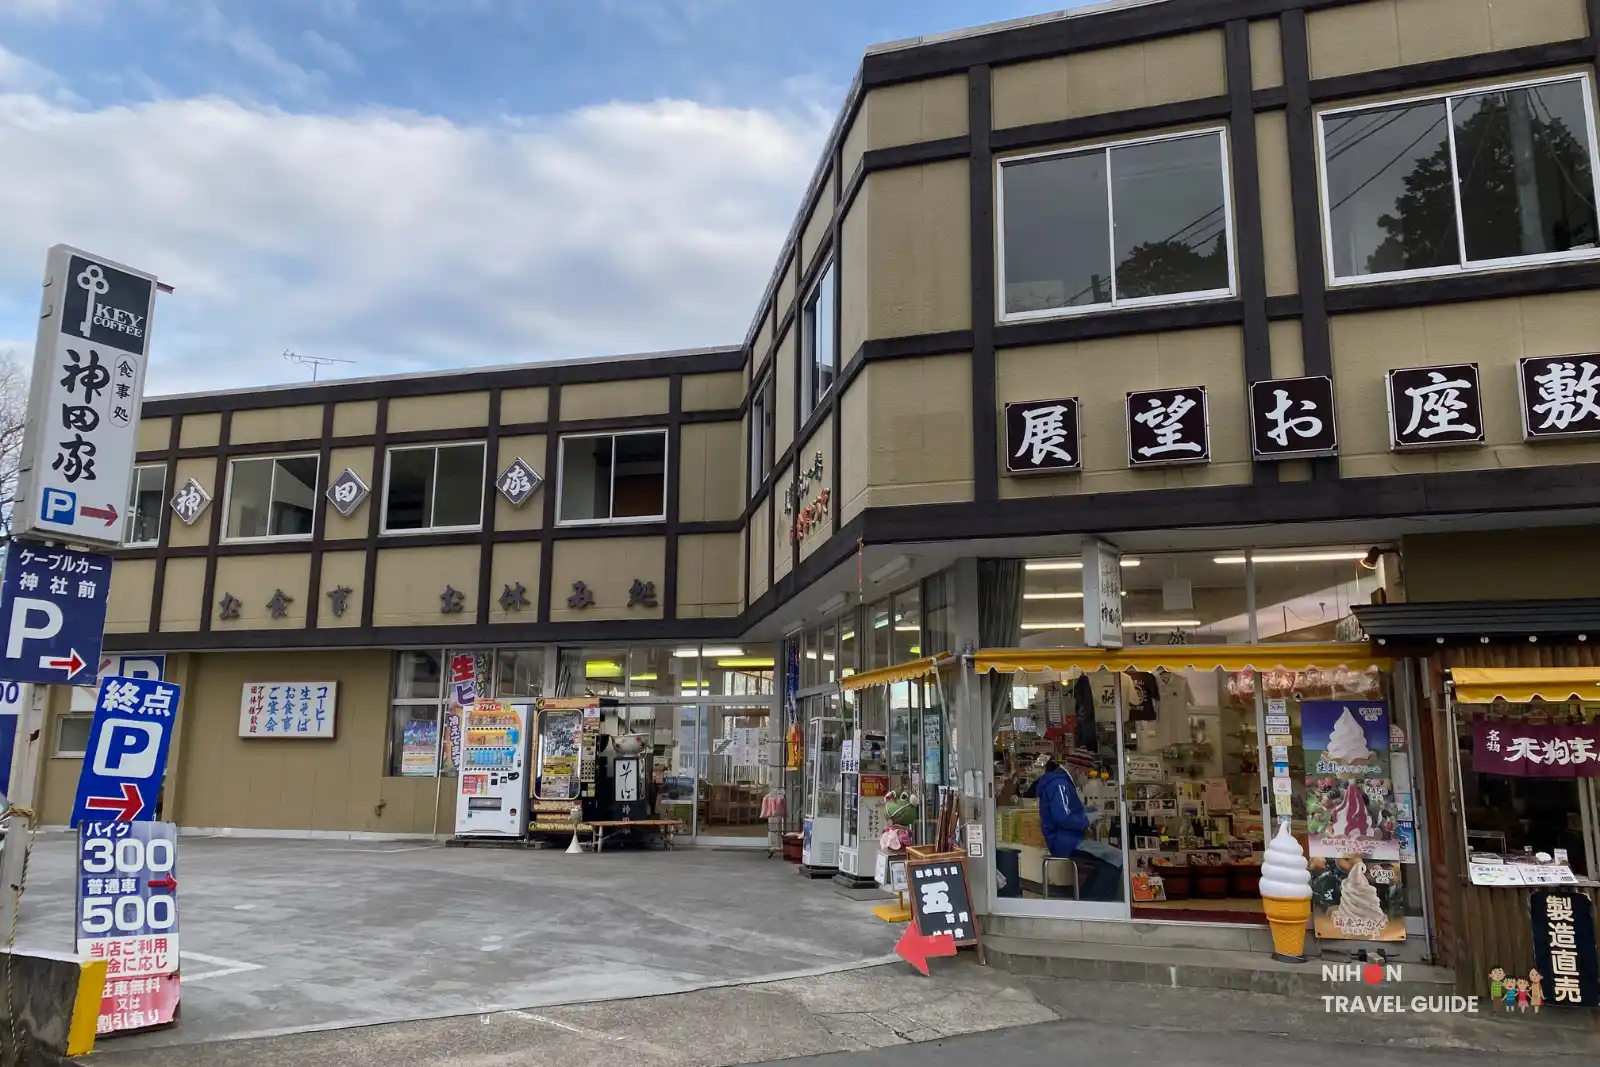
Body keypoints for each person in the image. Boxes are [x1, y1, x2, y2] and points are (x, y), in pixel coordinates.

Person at [1028, 759, 1121, 901]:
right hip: (1067, 842)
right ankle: (1094, 903)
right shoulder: (1060, 785)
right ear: (1077, 770)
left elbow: (1070, 810)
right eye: (1086, 773)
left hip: (1068, 839)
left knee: (1108, 858)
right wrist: (1088, 819)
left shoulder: (1061, 783)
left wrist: (1091, 812)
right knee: (1117, 857)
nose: (1087, 777)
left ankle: (1087, 899)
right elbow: (1064, 818)